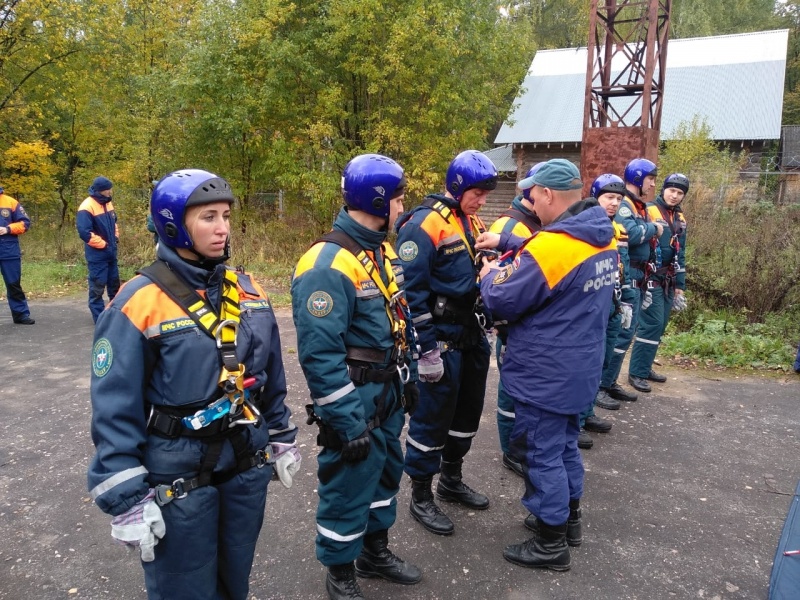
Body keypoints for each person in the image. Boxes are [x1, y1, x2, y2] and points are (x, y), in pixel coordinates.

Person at [87, 169, 299, 600]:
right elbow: (114, 405)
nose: (222, 228)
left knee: (234, 577)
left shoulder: (248, 291)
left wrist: (281, 435)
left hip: (243, 462)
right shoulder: (138, 302)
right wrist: (126, 496)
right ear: (172, 223)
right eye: (208, 217)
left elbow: (270, 374)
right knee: (184, 588)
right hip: (177, 473)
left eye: (225, 215)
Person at [476, 158, 617, 571]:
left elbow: (502, 296)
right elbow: (556, 268)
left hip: (546, 372)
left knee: (541, 453)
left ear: (549, 195)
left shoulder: (553, 247)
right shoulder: (600, 236)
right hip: (579, 366)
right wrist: (508, 246)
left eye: (532, 195)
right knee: (564, 445)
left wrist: (490, 273)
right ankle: (569, 520)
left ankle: (550, 542)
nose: (529, 201)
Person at [292, 154, 422, 600]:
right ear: (380, 200)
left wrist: (412, 378)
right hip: (355, 399)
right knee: (348, 485)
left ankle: (374, 552)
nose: (404, 208)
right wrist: (345, 420)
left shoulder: (379, 250)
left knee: (387, 474)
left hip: (387, 391)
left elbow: (398, 314)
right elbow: (320, 355)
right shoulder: (326, 263)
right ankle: (340, 571)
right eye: (400, 200)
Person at [395, 149, 496, 537]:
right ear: (457, 186)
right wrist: (426, 349)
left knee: (467, 417)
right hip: (441, 339)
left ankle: (451, 479)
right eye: (478, 192)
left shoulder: (469, 219)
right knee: (431, 421)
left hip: (471, 336)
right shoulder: (422, 224)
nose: (483, 200)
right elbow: (411, 292)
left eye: (486, 193)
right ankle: (421, 495)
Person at [487, 163, 543, 476]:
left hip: (535, 321)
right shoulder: (511, 223)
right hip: (513, 324)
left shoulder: (539, 221)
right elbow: (499, 281)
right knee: (511, 387)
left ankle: (524, 444)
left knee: (528, 388)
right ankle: (511, 450)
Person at [579, 174, 637, 448]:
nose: (614, 203)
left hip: (612, 305)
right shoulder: (585, 228)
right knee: (586, 366)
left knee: (602, 360)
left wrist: (625, 300)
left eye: (618, 199)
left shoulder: (618, 230)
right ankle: (575, 421)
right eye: (609, 197)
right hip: (593, 308)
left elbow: (622, 266)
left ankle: (587, 412)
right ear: (595, 197)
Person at [598, 158, 663, 401]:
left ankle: (610, 380)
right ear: (638, 177)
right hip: (627, 273)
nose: (653, 184)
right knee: (619, 333)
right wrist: (653, 229)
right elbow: (632, 234)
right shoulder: (625, 205)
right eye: (650, 179)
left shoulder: (639, 205)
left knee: (626, 332)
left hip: (638, 275)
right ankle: (602, 385)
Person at [628, 174, 689, 385]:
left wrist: (680, 285)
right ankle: (636, 372)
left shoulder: (680, 218)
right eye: (672, 190)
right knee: (651, 323)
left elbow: (681, 253)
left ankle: (645, 367)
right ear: (664, 190)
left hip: (668, 279)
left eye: (680, 193)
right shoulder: (650, 211)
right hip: (651, 277)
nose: (675, 196)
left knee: (661, 324)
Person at [77, 176, 120, 323]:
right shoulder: (86, 206)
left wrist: (115, 238)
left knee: (114, 286)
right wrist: (103, 245)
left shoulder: (108, 203)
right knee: (97, 286)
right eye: (109, 189)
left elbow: (114, 222)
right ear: (102, 190)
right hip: (97, 255)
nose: (110, 191)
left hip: (111, 252)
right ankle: (100, 319)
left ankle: (116, 316)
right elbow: (84, 232)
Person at [0, 185, 34, 324]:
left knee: (13, 284)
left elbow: (25, 223)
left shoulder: (10, 202)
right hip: (9, 250)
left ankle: (20, 314)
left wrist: (8, 229)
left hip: (9, 250)